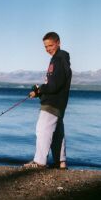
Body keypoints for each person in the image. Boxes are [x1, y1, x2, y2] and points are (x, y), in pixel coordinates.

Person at [24, 32, 72, 169]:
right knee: (57, 134)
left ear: (58, 43)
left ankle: (39, 162)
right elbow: (55, 84)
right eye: (45, 46)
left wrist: (40, 90)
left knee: (42, 129)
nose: (48, 49)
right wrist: (40, 92)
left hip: (52, 103)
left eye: (50, 45)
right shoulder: (57, 59)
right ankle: (61, 162)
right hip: (58, 103)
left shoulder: (59, 58)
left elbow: (55, 85)